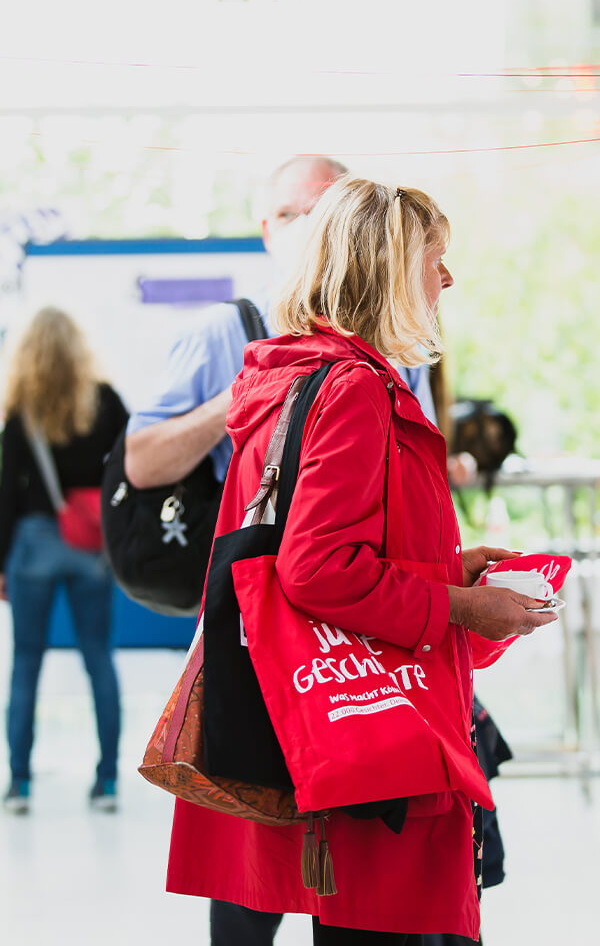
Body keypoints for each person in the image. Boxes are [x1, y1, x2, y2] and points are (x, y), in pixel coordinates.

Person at [165, 175, 557, 943]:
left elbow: (326, 544)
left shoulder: (294, 372)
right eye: (433, 258)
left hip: (309, 704)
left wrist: (448, 564)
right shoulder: (354, 389)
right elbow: (317, 568)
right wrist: (463, 605)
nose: (447, 277)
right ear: (383, 267)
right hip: (370, 719)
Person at [125, 154, 347, 945]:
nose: (311, 227)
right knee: (253, 845)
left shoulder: (395, 334)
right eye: (293, 213)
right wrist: (240, 396)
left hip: (360, 634)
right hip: (256, 630)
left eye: (327, 209)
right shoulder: (230, 329)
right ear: (266, 229)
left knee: (353, 855)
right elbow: (142, 461)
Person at [0, 307, 128, 813]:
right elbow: (126, 469)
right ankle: (107, 783)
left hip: (32, 542)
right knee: (98, 657)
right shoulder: (105, 401)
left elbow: (7, 493)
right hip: (88, 543)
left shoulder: (21, 408)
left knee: (26, 662)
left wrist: (1, 561)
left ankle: (20, 784)